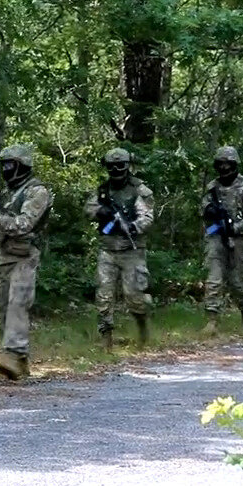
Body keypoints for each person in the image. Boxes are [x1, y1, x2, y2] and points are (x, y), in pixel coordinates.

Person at [0, 145, 53, 380]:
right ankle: (20, 361)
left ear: (22, 165)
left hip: (23, 257)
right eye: (4, 165)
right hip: (0, 255)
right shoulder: (8, 193)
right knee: (1, 306)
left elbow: (22, 225)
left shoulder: (37, 192)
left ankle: (11, 354)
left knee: (18, 304)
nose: (7, 170)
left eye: (11, 165)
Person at [83, 148, 154, 350]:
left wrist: (132, 226)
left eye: (120, 165)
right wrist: (102, 212)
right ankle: (106, 341)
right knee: (103, 297)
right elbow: (88, 209)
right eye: (111, 166)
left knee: (135, 297)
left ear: (128, 166)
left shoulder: (139, 190)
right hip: (108, 250)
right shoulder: (103, 190)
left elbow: (147, 217)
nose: (116, 169)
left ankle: (143, 330)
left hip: (132, 250)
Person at [199, 146, 243, 333]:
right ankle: (212, 320)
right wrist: (209, 211)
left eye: (228, 164)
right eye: (220, 164)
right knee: (213, 279)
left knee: (240, 281)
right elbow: (202, 209)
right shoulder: (212, 187)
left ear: (234, 165)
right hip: (215, 237)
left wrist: (235, 227)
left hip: (238, 240)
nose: (224, 168)